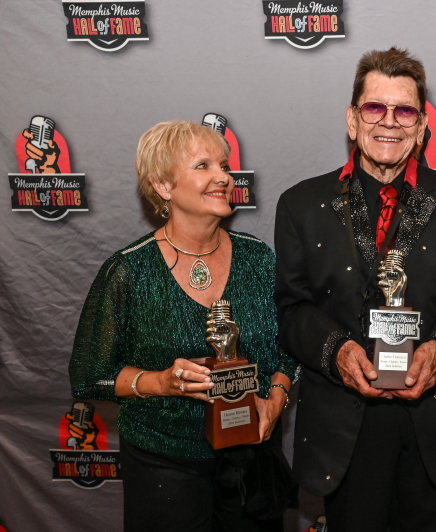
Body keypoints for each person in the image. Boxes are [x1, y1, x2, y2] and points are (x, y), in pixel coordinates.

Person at [274, 47, 436, 531]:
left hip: (429, 417)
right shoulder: (301, 204)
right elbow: (292, 308)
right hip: (343, 421)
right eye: (375, 107)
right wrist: (337, 351)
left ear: (421, 126)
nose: (389, 121)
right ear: (353, 120)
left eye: (405, 110)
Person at [69, 120, 300, 532]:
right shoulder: (130, 271)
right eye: (203, 166)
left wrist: (276, 397)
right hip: (164, 466)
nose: (223, 177)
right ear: (162, 185)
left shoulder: (259, 259)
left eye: (224, 165)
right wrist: (161, 382)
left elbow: (290, 345)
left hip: (252, 463)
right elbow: (90, 375)